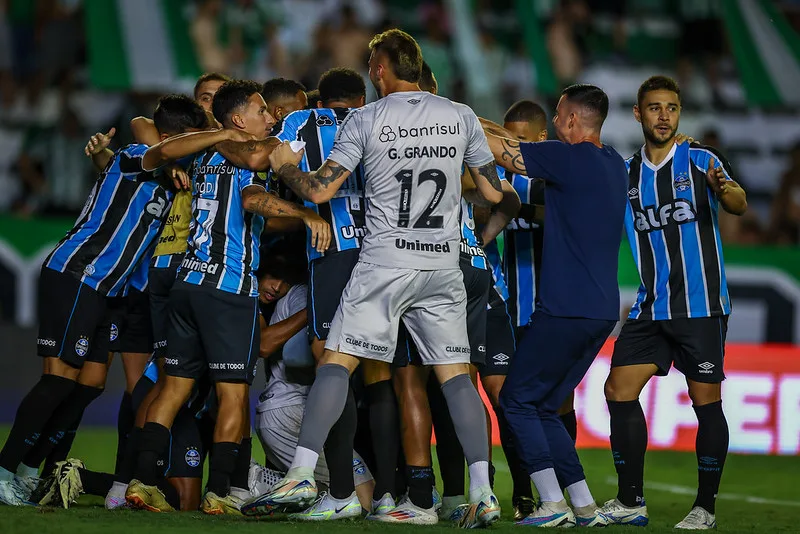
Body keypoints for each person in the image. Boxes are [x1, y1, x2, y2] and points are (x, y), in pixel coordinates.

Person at [243, 29, 504, 529]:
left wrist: (285, 166)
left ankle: (300, 473)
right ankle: (482, 490)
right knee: (455, 380)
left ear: (380, 69)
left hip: (384, 262)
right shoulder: (461, 115)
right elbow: (493, 193)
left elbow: (320, 192)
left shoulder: (368, 118)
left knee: (337, 364)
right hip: (442, 265)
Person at [123, 79, 331, 515]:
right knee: (233, 393)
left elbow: (153, 153)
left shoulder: (203, 151)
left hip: (187, 282)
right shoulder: (247, 154)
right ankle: (220, 492)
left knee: (173, 386)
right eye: (261, 110)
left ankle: (141, 481)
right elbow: (254, 199)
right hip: (228, 288)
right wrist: (304, 212)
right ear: (239, 118)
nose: (269, 116)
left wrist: (221, 135)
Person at [0, 95, 208, 507]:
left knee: (91, 384)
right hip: (79, 273)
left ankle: (28, 470)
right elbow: (147, 132)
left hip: (107, 291)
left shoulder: (170, 174)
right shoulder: (137, 156)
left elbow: (158, 144)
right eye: (194, 139)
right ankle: (5, 469)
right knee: (58, 378)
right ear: (178, 138)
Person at [599, 75, 747, 530]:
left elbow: (738, 201)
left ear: (679, 113)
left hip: (700, 306)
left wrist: (725, 192)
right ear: (637, 114)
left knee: (706, 403)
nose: (664, 115)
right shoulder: (625, 174)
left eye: (672, 108)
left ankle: (705, 507)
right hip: (650, 307)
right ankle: (631, 501)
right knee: (617, 390)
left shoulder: (700, 158)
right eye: (655, 107)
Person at [482, 84, 628, 527]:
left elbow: (508, 152)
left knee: (517, 402)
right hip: (601, 310)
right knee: (545, 406)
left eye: (560, 114)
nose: (557, 121)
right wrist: (476, 120)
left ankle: (550, 503)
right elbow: (509, 141)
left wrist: (446, 118)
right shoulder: (614, 164)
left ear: (570, 121)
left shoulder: (570, 157)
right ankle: (584, 504)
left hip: (566, 306)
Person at [251, 243, 376, 520]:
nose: (277, 286)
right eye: (273, 277)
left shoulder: (282, 297)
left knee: (357, 498)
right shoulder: (301, 295)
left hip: (284, 414)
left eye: (284, 280)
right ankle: (260, 482)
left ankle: (272, 481)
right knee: (363, 499)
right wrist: (317, 308)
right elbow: (280, 350)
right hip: (290, 413)